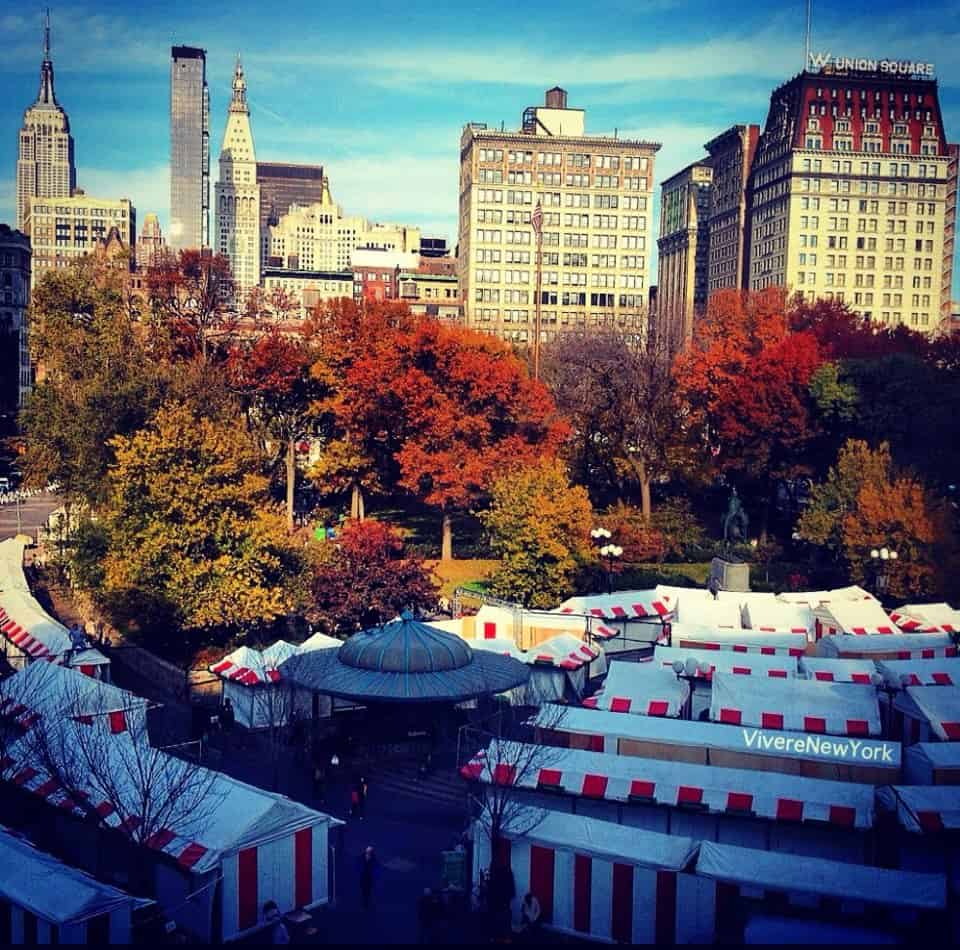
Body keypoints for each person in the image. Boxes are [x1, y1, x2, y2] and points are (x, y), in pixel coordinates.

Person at [359, 845, 378, 910]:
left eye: (369, 850)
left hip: (368, 876)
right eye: (367, 850)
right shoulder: (362, 856)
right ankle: (365, 901)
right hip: (364, 875)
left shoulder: (373, 858)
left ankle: (366, 902)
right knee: (364, 889)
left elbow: (375, 866)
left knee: (367, 890)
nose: (368, 851)